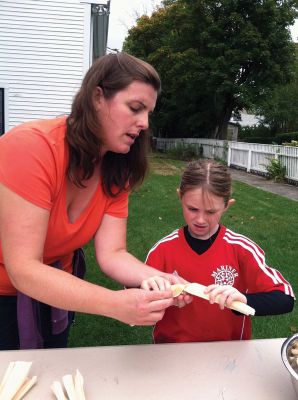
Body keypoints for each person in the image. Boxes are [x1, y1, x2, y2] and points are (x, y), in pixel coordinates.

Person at [0, 52, 184, 350]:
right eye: (135, 108)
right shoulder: (31, 147)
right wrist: (113, 303)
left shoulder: (116, 168)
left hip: (59, 285)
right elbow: (23, 268)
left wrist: (167, 279)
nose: (145, 123)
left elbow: (113, 253)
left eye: (148, 112)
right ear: (98, 97)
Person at [142, 159, 295, 343]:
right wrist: (151, 289)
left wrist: (244, 300)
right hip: (172, 350)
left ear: (226, 206)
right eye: (192, 209)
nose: (200, 219)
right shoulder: (163, 249)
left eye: (211, 212)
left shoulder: (240, 249)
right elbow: (136, 291)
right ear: (180, 197)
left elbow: (285, 298)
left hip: (228, 351)